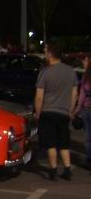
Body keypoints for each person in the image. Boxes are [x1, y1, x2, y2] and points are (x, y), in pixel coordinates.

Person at [34, 42, 79, 180]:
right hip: (64, 112)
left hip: (48, 112)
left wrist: (38, 113)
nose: (45, 54)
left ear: (50, 54)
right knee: (64, 143)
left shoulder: (45, 72)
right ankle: (67, 169)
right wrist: (70, 111)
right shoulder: (70, 71)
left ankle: (53, 171)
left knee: (51, 143)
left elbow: (39, 96)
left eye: (45, 51)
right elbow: (74, 94)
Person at [74, 55, 91, 170]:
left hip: (87, 109)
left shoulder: (86, 77)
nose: (83, 63)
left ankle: (89, 159)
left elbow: (82, 95)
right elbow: (82, 95)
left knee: (88, 136)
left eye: (85, 61)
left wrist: (77, 110)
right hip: (86, 109)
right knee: (88, 136)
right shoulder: (85, 76)